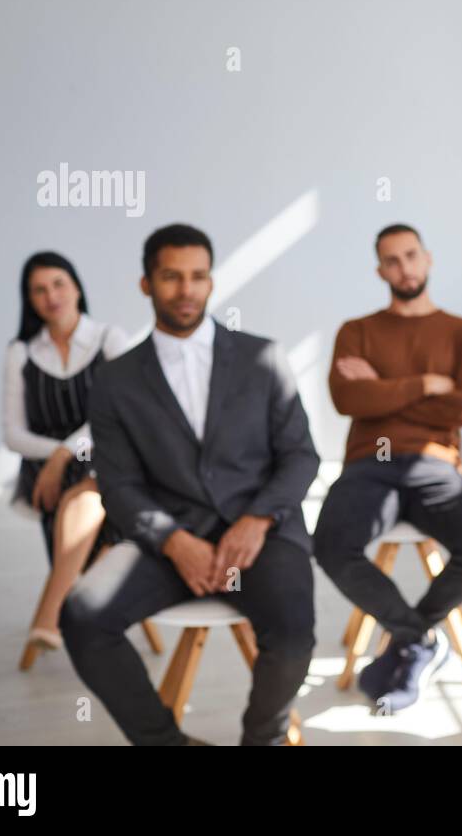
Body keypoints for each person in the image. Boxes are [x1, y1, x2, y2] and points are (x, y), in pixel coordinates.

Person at [60, 225, 319, 746]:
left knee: (293, 633)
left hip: (261, 536)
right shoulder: (116, 380)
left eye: (198, 276)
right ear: (146, 283)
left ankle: (261, 739)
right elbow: (119, 484)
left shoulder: (263, 356)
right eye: (172, 277)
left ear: (211, 281)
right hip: (164, 543)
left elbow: (300, 456)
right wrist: (173, 541)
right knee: (82, 617)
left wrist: (257, 519)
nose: (186, 290)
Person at [314, 223, 462, 714]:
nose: (403, 268)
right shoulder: (357, 331)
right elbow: (347, 398)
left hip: (436, 465)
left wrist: (385, 390)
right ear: (379, 270)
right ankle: (418, 639)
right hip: (370, 464)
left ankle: (410, 636)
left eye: (411, 256)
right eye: (391, 260)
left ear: (427, 259)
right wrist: (430, 384)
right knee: (329, 544)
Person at [2, 251, 128, 661]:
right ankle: (76, 617)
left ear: (76, 286)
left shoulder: (109, 339)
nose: (50, 296)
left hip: (107, 459)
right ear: (29, 299)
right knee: (83, 502)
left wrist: (66, 453)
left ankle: (50, 613)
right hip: (46, 476)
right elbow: (13, 434)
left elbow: (123, 411)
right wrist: (57, 455)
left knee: (92, 497)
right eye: (38, 289)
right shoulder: (21, 352)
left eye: (58, 283)